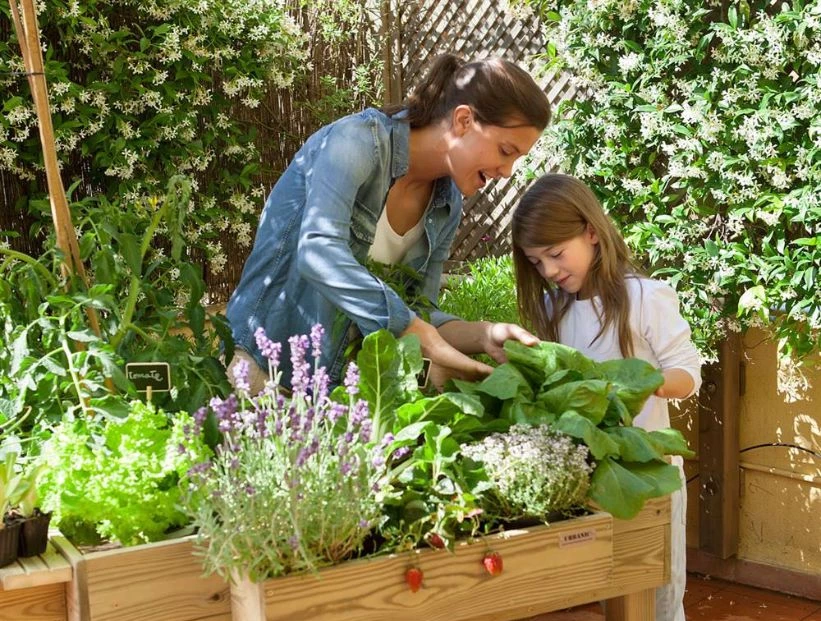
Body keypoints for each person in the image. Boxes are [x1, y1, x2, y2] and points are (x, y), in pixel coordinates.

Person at [226, 54, 551, 392]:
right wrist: (407, 325)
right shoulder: (356, 143)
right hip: (262, 370)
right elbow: (317, 252)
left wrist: (484, 334)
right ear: (464, 121)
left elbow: (417, 313)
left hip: (335, 390)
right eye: (505, 150)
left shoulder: (446, 203)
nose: (507, 171)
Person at [511, 173, 702, 621]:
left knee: (657, 598)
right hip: (583, 479)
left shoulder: (645, 297)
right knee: (597, 595)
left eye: (556, 254)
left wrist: (633, 383)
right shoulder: (550, 309)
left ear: (592, 233)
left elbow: (687, 374)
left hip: (647, 475)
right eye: (538, 263)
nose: (551, 271)